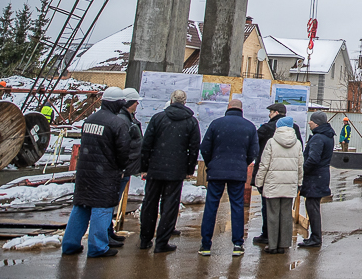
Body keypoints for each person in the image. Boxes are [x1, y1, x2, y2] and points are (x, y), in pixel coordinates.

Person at [61, 86, 131, 258]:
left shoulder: (90, 120)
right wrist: (121, 167)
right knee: (102, 208)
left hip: (85, 173)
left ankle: (70, 244)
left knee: (81, 207)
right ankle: (98, 247)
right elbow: (123, 152)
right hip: (105, 174)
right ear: (117, 104)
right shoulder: (117, 123)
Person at [139, 89, 200, 253]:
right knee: (170, 206)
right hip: (176, 169)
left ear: (171, 100)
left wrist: (144, 166)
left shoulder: (158, 118)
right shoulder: (191, 122)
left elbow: (147, 144)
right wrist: (189, 169)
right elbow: (194, 148)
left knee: (150, 203)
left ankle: (145, 239)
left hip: (155, 168)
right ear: (185, 102)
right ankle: (161, 242)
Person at [199, 98, 258, 257]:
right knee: (237, 206)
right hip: (237, 172)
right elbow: (253, 152)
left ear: (228, 107)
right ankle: (238, 244)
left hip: (216, 170)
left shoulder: (216, 124)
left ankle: (205, 245)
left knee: (211, 206)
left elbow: (205, 147)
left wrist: (212, 162)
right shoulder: (249, 127)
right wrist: (242, 163)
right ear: (241, 109)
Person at [252, 103, 301, 246]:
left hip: (271, 176)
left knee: (269, 209)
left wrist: (259, 180)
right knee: (285, 212)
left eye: (271, 112)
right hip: (290, 176)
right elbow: (300, 158)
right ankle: (284, 241)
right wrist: (299, 181)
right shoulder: (295, 131)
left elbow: (262, 157)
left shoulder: (268, 131)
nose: (269, 114)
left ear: (276, 113)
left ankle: (269, 237)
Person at [106, 88, 142, 248]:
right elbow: (121, 146)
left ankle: (109, 232)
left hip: (125, 166)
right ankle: (106, 234)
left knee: (113, 201)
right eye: (135, 102)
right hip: (121, 168)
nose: (137, 105)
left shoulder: (127, 118)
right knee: (109, 202)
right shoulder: (123, 120)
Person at [298, 112, 334, 248]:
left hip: (315, 177)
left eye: (311, 121)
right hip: (321, 175)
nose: (309, 123)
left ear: (317, 123)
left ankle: (316, 237)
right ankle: (315, 236)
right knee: (314, 207)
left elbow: (313, 159)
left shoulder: (318, 138)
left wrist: (302, 171)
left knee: (312, 207)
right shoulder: (327, 136)